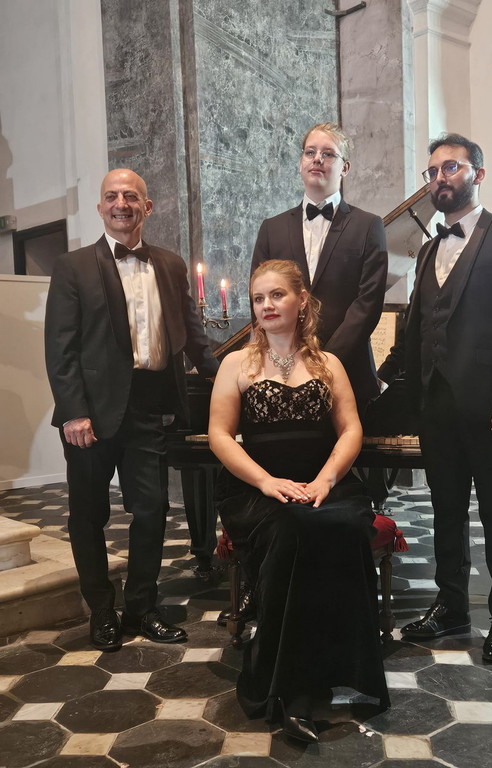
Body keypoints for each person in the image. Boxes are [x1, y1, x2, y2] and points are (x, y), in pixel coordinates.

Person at [378, 133, 492, 661]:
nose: (439, 178)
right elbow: (417, 328)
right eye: (432, 172)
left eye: (450, 167)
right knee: (445, 510)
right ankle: (450, 606)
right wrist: (381, 379)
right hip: (436, 407)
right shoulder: (429, 249)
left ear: (478, 174)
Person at [208, 259, 389, 742]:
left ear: (301, 300)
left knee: (341, 527)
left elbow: (350, 429)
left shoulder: (329, 364)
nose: (266, 306)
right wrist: (267, 481)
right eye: (258, 298)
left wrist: (327, 479)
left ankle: (345, 669)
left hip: (328, 483)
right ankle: (294, 690)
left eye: (277, 295)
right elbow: (220, 435)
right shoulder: (235, 364)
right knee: (294, 530)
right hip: (257, 488)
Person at [45, 168, 219, 652]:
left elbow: (192, 333)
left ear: (148, 206)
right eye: (112, 196)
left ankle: (141, 607)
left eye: (131, 196)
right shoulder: (73, 266)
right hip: (91, 414)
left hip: (149, 406)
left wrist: (226, 373)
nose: (121, 203)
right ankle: (102, 610)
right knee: (88, 515)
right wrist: (73, 411)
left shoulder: (170, 264)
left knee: (152, 510)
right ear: (100, 207)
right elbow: (60, 348)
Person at [251, 122, 388, 415]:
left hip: (349, 371)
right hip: (282, 374)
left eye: (328, 154)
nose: (317, 159)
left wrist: (325, 362)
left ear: (345, 167)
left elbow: (368, 303)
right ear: (301, 163)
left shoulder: (368, 226)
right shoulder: (271, 229)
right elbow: (259, 299)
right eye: (310, 152)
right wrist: (291, 361)